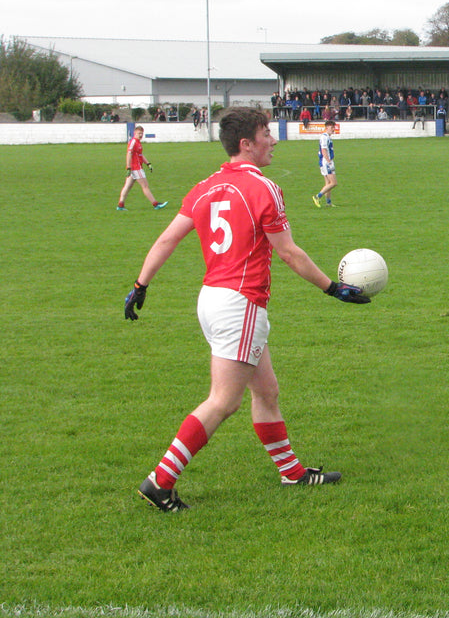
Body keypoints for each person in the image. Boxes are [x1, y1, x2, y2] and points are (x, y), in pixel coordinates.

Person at [124, 108, 369, 512]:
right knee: (223, 401)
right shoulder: (264, 188)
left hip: (213, 300)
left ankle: (292, 473)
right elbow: (288, 252)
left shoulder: (205, 186)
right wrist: (332, 288)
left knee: (267, 391)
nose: (273, 140)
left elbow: (167, 239)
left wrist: (140, 285)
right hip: (240, 303)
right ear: (246, 144)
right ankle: (160, 482)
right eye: (266, 134)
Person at [117, 125, 168, 211]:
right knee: (145, 186)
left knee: (127, 186)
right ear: (135, 133)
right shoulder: (133, 142)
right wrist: (128, 167)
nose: (140, 135)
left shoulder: (138, 142)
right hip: (136, 168)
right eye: (139, 133)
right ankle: (156, 204)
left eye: (142, 133)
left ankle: (120, 205)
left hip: (134, 168)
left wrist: (148, 163)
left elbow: (140, 155)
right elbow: (129, 154)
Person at [313, 119, 337, 208]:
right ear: (326, 128)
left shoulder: (327, 137)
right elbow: (324, 150)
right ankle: (317, 196)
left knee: (328, 183)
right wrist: (329, 162)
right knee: (334, 183)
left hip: (325, 162)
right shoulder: (324, 137)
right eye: (331, 127)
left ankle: (328, 202)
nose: (333, 129)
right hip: (326, 162)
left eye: (334, 127)